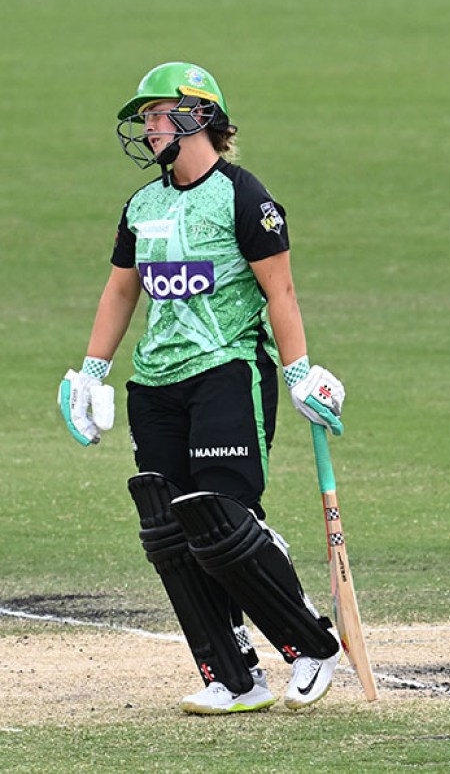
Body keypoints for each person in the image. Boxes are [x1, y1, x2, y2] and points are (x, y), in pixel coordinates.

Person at [58, 62, 348, 714]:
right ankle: (233, 676)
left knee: (220, 516)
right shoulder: (144, 205)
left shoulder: (244, 197)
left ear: (199, 116)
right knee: (168, 529)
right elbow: (121, 290)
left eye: (157, 113)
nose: (148, 126)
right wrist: (92, 371)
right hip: (156, 384)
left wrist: (298, 370)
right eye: (145, 117)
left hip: (226, 371)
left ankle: (311, 646)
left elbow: (281, 291)